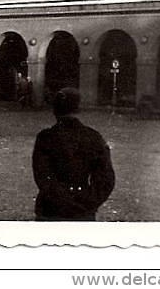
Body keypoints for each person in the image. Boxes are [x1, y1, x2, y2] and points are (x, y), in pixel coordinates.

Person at [32, 87, 116, 221]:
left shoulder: (45, 137)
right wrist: (89, 201)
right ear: (78, 109)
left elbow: (42, 176)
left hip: (50, 209)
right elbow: (106, 179)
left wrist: (60, 200)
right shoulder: (94, 137)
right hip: (83, 210)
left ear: (55, 111)